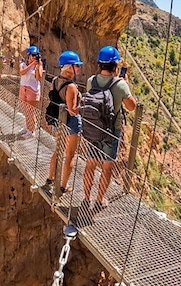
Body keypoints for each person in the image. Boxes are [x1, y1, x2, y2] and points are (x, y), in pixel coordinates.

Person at [82, 45, 137, 211]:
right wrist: (125, 84)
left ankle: (86, 198)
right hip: (112, 131)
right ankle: (99, 200)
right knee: (107, 168)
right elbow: (132, 106)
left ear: (100, 64)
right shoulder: (120, 85)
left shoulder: (91, 81)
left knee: (90, 164)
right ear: (115, 66)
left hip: (92, 128)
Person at [46, 50, 83, 195]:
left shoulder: (55, 81)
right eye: (77, 65)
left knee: (58, 150)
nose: (79, 68)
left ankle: (51, 177)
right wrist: (85, 106)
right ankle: (63, 186)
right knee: (70, 155)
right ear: (70, 67)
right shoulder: (71, 87)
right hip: (71, 123)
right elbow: (72, 110)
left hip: (58, 122)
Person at [19, 45, 43, 135]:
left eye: (36, 55)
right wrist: (32, 64)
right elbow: (22, 72)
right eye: (33, 55)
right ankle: (27, 126)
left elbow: (38, 77)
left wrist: (36, 66)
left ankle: (31, 130)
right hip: (23, 88)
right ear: (28, 55)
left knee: (30, 111)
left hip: (32, 90)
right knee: (25, 110)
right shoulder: (23, 64)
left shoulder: (39, 65)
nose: (34, 57)